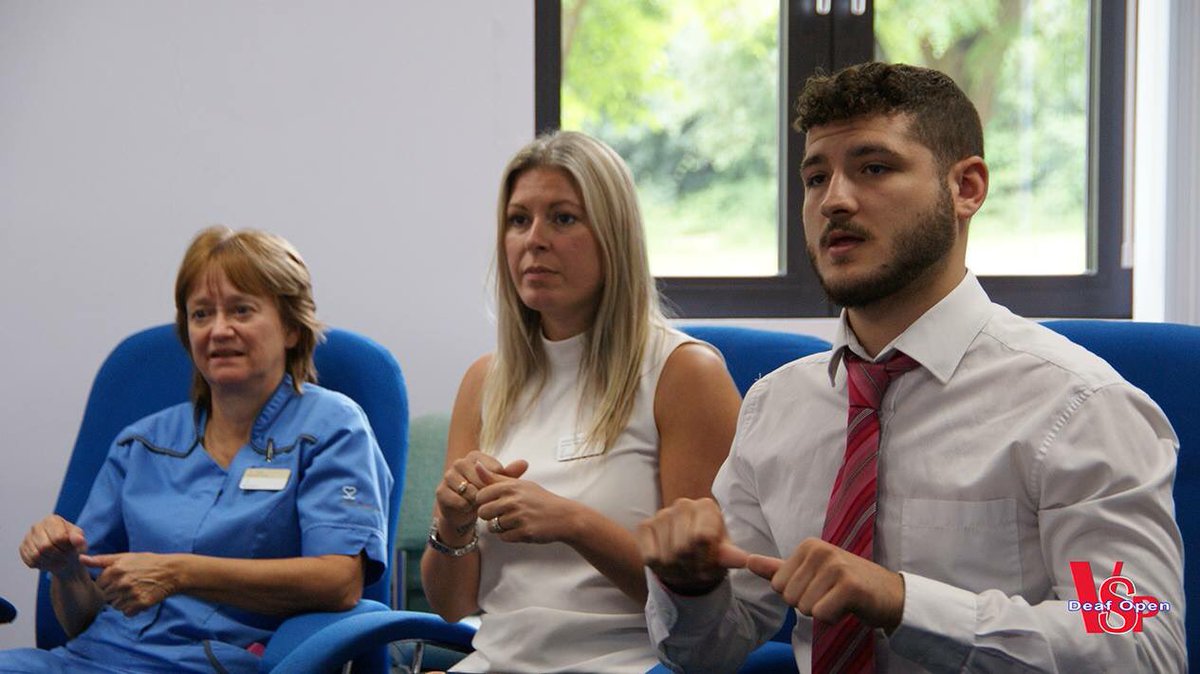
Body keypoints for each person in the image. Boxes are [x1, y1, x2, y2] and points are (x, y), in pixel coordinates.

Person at [637, 62, 1186, 673]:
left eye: (874, 168)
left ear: (967, 188)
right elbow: (709, 652)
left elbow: (1135, 639)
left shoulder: (1077, 406)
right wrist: (689, 588)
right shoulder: (775, 407)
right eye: (816, 177)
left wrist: (903, 602)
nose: (834, 201)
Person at [420, 130, 742, 673]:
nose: (534, 240)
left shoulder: (683, 373)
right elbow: (453, 605)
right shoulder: (485, 381)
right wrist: (452, 522)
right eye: (518, 220)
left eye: (563, 218)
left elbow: (711, 613)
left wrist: (574, 523)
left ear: (613, 235)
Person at [5, 226, 393, 673]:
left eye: (242, 310)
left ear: (290, 327)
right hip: (92, 659)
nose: (219, 330)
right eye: (202, 314)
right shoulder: (142, 443)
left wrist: (179, 573)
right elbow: (78, 624)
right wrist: (67, 570)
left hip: (219, 663)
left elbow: (339, 582)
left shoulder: (331, 428)